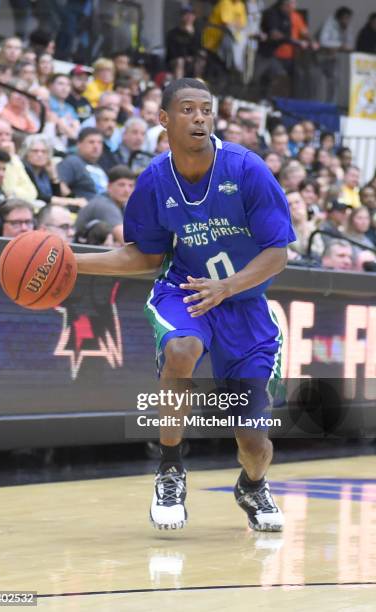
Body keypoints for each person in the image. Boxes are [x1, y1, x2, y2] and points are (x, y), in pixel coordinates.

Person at [75, 78, 296, 532]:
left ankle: (252, 486)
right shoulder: (156, 179)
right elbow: (145, 255)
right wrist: (71, 262)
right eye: (188, 109)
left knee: (254, 443)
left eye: (206, 110)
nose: (199, 117)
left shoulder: (246, 169)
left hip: (245, 304)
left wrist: (230, 286)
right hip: (186, 290)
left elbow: (278, 253)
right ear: (164, 119)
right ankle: (170, 468)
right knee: (181, 351)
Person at [75, 165, 135, 244]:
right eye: (121, 185)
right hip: (80, 250)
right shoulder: (104, 205)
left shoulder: (123, 205)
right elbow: (127, 241)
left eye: (131, 186)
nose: (127, 190)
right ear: (109, 186)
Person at [58, 127, 108, 200]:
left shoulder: (99, 167)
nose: (96, 146)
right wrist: (75, 201)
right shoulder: (72, 162)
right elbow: (60, 185)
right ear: (79, 144)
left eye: (99, 142)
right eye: (91, 142)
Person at [317, 7, 354, 103]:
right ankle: (317, 104)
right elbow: (323, 41)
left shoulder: (347, 27)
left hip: (333, 57)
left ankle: (331, 105)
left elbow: (349, 45)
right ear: (339, 17)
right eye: (345, 18)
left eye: (348, 18)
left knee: (335, 81)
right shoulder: (329, 23)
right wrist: (339, 45)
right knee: (319, 82)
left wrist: (345, 35)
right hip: (320, 56)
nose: (346, 21)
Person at [166, 4, 201, 79]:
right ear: (181, 16)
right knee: (180, 61)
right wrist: (185, 57)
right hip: (176, 60)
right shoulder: (173, 33)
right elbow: (172, 52)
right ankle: (179, 86)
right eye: (186, 14)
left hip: (192, 60)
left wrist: (191, 34)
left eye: (191, 15)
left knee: (201, 60)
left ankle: (197, 84)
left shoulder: (197, 33)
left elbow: (198, 48)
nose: (189, 17)